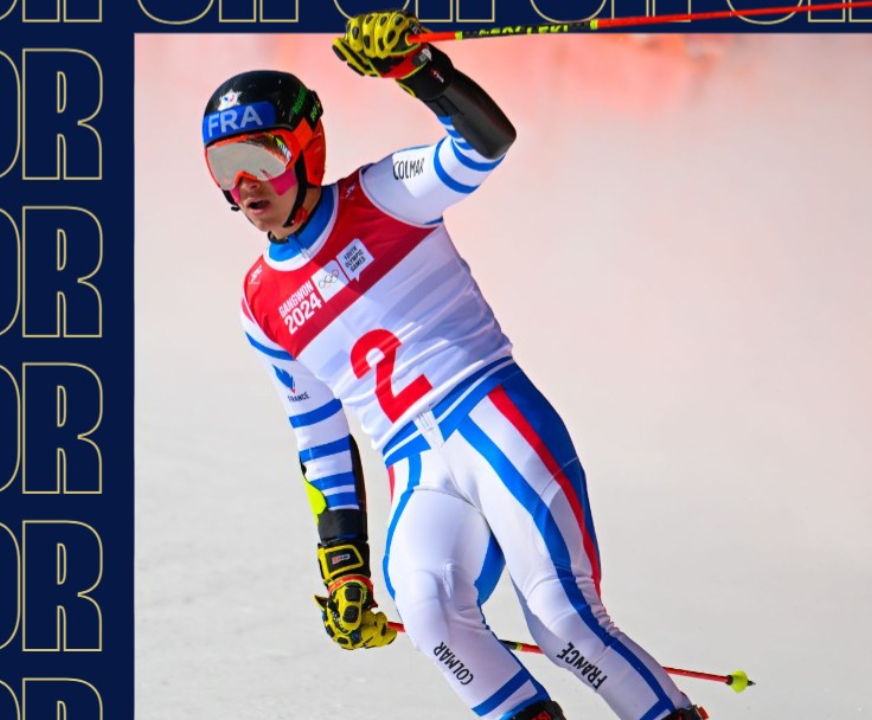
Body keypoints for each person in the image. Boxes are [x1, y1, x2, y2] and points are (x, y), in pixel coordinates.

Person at [202, 12, 707, 720]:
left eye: (263, 154)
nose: (247, 182)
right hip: (414, 463)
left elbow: (485, 145)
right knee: (432, 617)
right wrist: (343, 560)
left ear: (307, 149)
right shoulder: (261, 302)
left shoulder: (379, 194)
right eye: (225, 167)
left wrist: (419, 71)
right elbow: (318, 435)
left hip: (489, 414)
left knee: (562, 623)